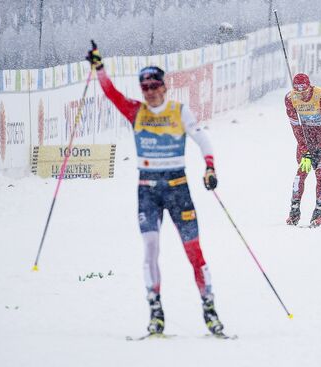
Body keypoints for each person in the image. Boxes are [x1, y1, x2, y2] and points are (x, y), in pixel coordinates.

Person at [86, 42, 224, 336]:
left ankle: (209, 310)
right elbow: (111, 94)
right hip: (148, 190)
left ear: (164, 87)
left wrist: (209, 167)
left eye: (153, 85)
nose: (148, 91)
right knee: (150, 249)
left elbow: (203, 139)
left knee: (193, 251)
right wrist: (99, 69)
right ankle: (156, 312)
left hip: (177, 188)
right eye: (144, 86)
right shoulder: (136, 111)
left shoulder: (178, 111)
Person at [284, 73, 321, 228]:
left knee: (320, 169)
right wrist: (304, 148)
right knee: (303, 169)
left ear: (309, 87)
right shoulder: (290, 98)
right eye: (298, 92)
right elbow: (296, 127)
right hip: (307, 137)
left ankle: (319, 210)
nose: (302, 95)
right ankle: (294, 210)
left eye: (304, 92)